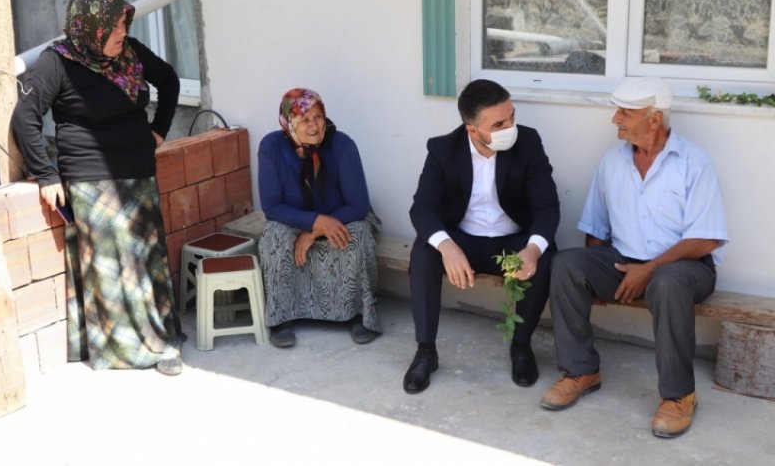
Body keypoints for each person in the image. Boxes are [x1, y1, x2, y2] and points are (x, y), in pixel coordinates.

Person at [540, 77, 728, 438]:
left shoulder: (694, 163)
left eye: (625, 113)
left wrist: (650, 269)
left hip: (686, 268)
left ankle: (679, 396)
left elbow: (707, 238)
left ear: (654, 119)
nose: (616, 119)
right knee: (565, 264)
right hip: (623, 261)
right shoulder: (612, 162)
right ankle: (581, 371)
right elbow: (596, 227)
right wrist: (592, 279)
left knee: (668, 282)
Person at [11, 0, 183, 375]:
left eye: (124, 23)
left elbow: (170, 81)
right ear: (92, 27)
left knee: (144, 258)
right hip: (91, 178)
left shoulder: (130, 53)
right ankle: (138, 348)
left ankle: (156, 333)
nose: (123, 32)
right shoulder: (57, 61)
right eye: (115, 26)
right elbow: (25, 118)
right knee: (115, 265)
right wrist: (46, 174)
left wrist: (159, 130)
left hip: (138, 172)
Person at [403, 79, 560, 393]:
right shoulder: (442, 150)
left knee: (546, 255)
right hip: (464, 242)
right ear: (472, 130)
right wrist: (447, 246)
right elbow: (421, 208)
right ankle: (425, 350)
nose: (510, 128)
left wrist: (532, 249)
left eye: (512, 117)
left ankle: (521, 346)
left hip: (513, 242)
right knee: (423, 252)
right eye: (499, 124)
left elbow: (547, 205)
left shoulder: (528, 142)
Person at [257, 88, 381, 348]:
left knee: (356, 234)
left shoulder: (342, 145)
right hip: (296, 220)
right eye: (304, 120)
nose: (314, 126)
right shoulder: (271, 147)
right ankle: (282, 317)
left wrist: (316, 229)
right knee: (274, 236)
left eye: (318, 117)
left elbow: (358, 205)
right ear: (288, 123)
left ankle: (359, 314)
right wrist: (313, 221)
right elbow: (272, 207)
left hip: (340, 216)